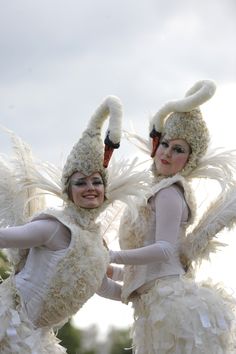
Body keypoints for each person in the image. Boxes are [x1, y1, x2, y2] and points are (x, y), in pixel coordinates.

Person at [0, 95, 145, 353]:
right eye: (81, 182)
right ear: (68, 190)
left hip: (38, 340)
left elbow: (100, 285)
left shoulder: (97, 242)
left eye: (96, 182)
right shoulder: (53, 226)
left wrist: (139, 294)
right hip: (9, 326)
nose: (90, 188)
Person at [108, 80, 236, 353]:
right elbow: (141, 274)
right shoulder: (157, 191)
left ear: (189, 159)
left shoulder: (169, 192)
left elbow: (164, 250)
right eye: (165, 144)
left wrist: (111, 257)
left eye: (179, 149)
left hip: (173, 307)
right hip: (156, 307)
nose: (167, 153)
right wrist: (104, 269)